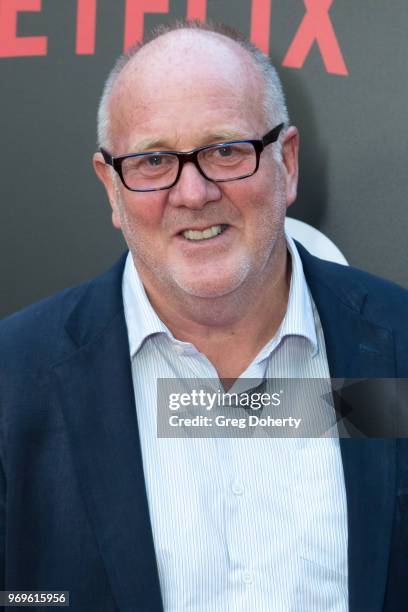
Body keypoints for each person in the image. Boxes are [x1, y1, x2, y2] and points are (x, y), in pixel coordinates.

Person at [0, 20, 407, 612]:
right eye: (153, 160)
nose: (192, 193)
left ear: (287, 162)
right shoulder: (14, 380)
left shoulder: (396, 347)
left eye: (225, 150)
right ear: (111, 187)